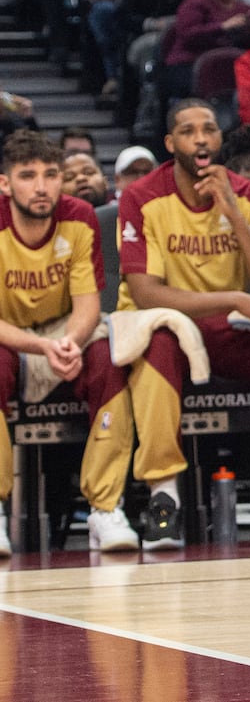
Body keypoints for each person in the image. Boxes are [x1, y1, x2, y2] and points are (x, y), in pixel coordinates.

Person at [119, 101, 250, 547]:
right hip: (175, 330)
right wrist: (237, 298)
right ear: (170, 143)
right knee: (157, 338)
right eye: (188, 131)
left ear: (219, 139)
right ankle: (163, 500)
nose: (200, 138)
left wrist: (234, 214)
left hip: (234, 332)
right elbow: (145, 294)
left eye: (209, 129)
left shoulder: (249, 197)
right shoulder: (141, 196)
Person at [0, 132, 147, 554]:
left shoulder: (79, 215)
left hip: (63, 327)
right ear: (6, 184)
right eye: (28, 176)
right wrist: (42, 348)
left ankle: (105, 508)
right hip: (9, 333)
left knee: (108, 358)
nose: (42, 186)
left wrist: (68, 342)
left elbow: (87, 305)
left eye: (50, 175)